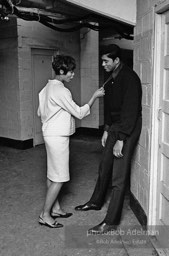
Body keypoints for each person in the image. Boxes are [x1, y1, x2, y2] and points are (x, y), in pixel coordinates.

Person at [75, 44, 142, 233]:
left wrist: (121, 139)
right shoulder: (110, 77)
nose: (103, 64)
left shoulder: (130, 78)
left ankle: (111, 221)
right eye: (102, 61)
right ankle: (96, 202)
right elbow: (110, 106)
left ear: (116, 61)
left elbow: (130, 111)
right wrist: (106, 129)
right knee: (104, 166)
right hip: (115, 126)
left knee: (118, 176)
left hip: (127, 128)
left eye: (106, 61)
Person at [37, 54, 105, 228]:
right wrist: (95, 96)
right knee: (59, 177)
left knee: (52, 174)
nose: (72, 75)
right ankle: (45, 215)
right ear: (61, 71)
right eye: (70, 72)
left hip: (49, 134)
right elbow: (80, 113)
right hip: (58, 137)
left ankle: (56, 208)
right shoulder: (61, 90)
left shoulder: (45, 89)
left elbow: (40, 113)